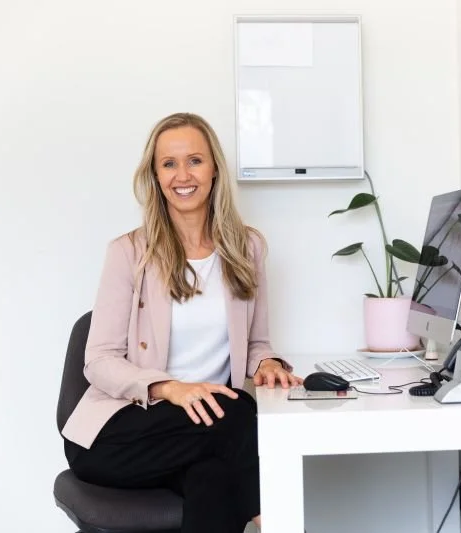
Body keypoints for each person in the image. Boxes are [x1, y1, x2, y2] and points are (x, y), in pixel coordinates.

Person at [60, 112, 302, 533]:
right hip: (119, 434)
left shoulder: (248, 248)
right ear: (155, 175)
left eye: (194, 160)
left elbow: (257, 343)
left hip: (207, 431)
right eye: (168, 163)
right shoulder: (129, 253)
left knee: (213, 476)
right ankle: (276, 524)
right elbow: (97, 360)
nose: (182, 175)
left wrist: (266, 365)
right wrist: (169, 388)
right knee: (238, 412)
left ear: (213, 170)